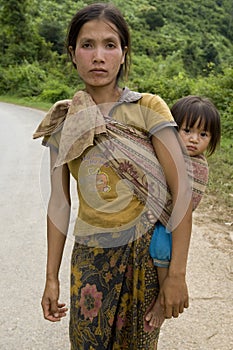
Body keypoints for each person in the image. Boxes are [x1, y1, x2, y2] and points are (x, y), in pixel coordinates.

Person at [33, 3, 193, 349]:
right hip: (91, 257)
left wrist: (176, 274)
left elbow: (182, 192)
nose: (98, 56)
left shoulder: (147, 108)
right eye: (87, 45)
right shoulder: (65, 121)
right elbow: (59, 202)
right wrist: (51, 278)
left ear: (123, 54)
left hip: (145, 258)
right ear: (72, 53)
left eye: (110, 44)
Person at [145, 95, 221, 330]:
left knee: (160, 246)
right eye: (187, 130)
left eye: (203, 135)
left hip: (171, 225)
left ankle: (161, 298)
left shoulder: (198, 166)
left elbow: (186, 202)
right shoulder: (163, 153)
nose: (193, 140)